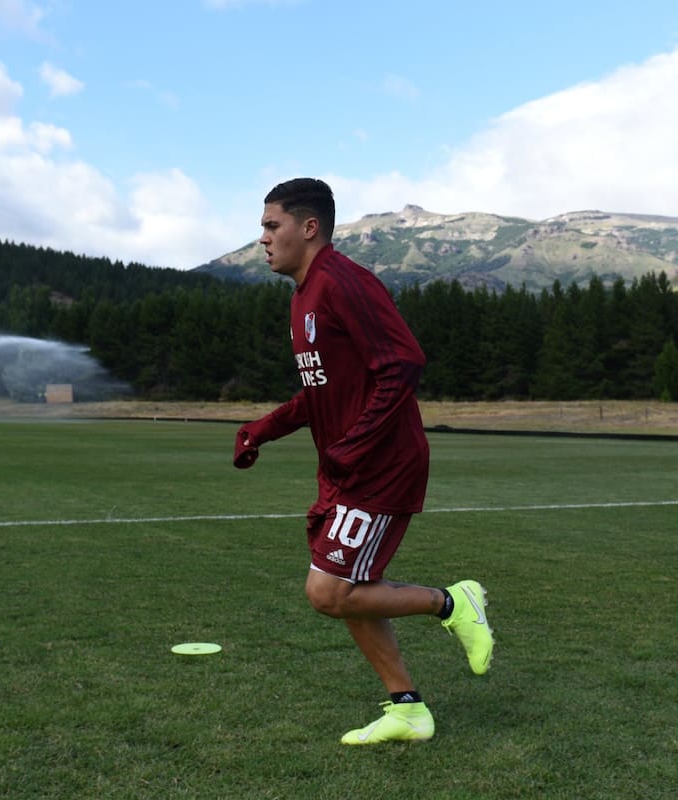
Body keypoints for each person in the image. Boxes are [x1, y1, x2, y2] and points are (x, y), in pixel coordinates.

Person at [233, 178, 493, 745]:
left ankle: (454, 601)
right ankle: (407, 709)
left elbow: (403, 363)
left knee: (328, 591)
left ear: (308, 228)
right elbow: (322, 391)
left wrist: (354, 445)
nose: (262, 238)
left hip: (380, 464)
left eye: (271, 225)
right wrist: (264, 428)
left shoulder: (342, 282)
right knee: (352, 585)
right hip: (347, 466)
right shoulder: (302, 295)